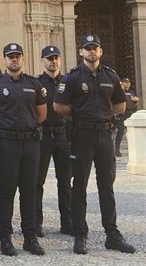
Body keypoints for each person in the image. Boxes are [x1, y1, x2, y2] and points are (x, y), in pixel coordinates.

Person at [54, 35, 135, 255]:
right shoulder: (72, 77)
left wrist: (104, 114)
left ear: (100, 51)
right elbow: (59, 106)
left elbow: (120, 103)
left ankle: (112, 234)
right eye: (87, 48)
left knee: (106, 186)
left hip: (105, 136)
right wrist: (81, 115)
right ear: (81, 52)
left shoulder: (111, 75)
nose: (92, 52)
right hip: (82, 136)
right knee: (79, 185)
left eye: (95, 48)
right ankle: (80, 234)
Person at [0, 43, 47, 257]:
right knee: (7, 192)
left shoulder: (34, 84)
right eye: (10, 57)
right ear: (5, 60)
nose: (14, 60)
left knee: (29, 191)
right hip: (6, 144)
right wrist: (4, 126)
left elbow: (41, 114)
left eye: (17, 56)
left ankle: (30, 238)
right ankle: (6, 238)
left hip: (30, 144)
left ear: (23, 58)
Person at [34, 45, 72, 237]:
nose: (53, 61)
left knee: (65, 181)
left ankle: (68, 222)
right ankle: (36, 223)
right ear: (42, 61)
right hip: (43, 136)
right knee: (37, 181)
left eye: (56, 57)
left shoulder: (68, 81)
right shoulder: (37, 83)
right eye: (49, 58)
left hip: (63, 135)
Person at [114, 77, 139, 156]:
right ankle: (117, 149)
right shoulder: (120, 91)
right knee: (120, 131)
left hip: (130, 113)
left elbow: (135, 102)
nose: (128, 84)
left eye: (129, 82)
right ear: (122, 83)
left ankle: (133, 149)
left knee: (131, 131)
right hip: (122, 114)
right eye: (126, 82)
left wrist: (136, 100)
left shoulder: (131, 92)